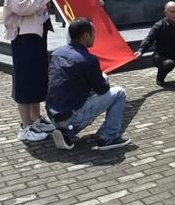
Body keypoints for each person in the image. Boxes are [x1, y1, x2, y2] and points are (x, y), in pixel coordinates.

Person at [46, 18, 131, 150]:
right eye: (93, 33)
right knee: (119, 92)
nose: (95, 36)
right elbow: (102, 89)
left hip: (53, 115)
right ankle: (109, 137)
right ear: (86, 35)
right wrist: (103, 78)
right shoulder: (87, 59)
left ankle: (65, 132)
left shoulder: (57, 53)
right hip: (70, 116)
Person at [3, 0, 56, 142]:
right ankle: (25, 127)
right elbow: (22, 7)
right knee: (26, 79)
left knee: (36, 77)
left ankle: (36, 118)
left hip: (37, 33)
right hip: (25, 36)